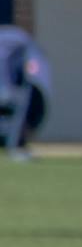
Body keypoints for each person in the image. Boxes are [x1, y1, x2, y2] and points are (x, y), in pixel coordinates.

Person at [0, 24, 51, 160]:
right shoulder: (21, 39)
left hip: (5, 92)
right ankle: (16, 146)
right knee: (23, 101)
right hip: (6, 93)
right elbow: (33, 71)